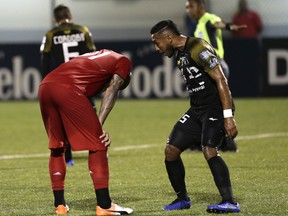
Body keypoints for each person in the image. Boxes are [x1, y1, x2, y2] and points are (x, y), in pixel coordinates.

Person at [150, 20, 240, 213]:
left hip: (215, 108)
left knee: (209, 150)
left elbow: (221, 79)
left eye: (157, 43)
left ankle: (229, 201)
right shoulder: (180, 55)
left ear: (168, 37)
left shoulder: (198, 47)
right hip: (197, 110)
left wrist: (228, 116)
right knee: (171, 150)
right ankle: (182, 199)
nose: (156, 48)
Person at [38, 49, 133, 215]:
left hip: (45, 86)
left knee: (57, 145)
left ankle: (60, 205)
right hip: (67, 88)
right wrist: (99, 124)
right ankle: (104, 206)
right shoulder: (123, 62)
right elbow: (112, 88)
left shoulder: (101, 55)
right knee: (99, 142)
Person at [40, 4, 97, 166]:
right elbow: (92, 54)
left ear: (54, 19)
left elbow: (45, 60)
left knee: (62, 118)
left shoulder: (51, 34)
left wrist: (46, 80)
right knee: (91, 116)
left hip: (63, 82)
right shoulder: (83, 31)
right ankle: (98, 150)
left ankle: (68, 158)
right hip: (82, 80)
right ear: (70, 16)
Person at [186, 0, 245, 152]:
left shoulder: (208, 18)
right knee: (205, 103)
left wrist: (229, 26)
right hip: (208, 67)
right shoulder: (198, 25)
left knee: (214, 104)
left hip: (215, 66)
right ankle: (201, 141)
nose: (188, 10)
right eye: (187, 7)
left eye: (191, 6)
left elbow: (217, 24)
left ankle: (227, 142)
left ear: (201, 7)